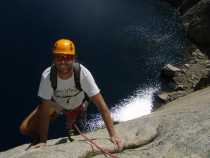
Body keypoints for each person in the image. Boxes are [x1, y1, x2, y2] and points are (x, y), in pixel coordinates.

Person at [19, 38, 123, 150]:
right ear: (54, 59)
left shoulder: (83, 73)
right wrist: (43, 140)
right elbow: (44, 111)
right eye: (59, 57)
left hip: (77, 104)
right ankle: (40, 136)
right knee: (25, 128)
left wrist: (113, 135)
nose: (63, 62)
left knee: (71, 117)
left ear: (73, 59)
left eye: (67, 57)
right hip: (57, 104)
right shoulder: (48, 76)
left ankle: (71, 123)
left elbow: (102, 107)